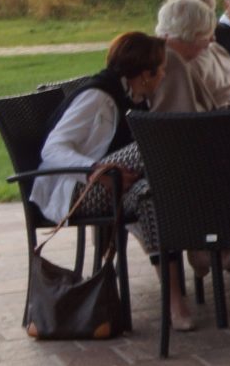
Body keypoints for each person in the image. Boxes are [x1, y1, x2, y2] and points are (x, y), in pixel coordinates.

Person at [33, 32, 170, 305]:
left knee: (150, 194)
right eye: (162, 69)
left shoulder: (134, 98)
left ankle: (173, 297)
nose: (164, 75)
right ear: (146, 74)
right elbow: (52, 149)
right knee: (151, 145)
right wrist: (95, 169)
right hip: (77, 190)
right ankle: (200, 255)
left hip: (118, 185)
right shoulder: (97, 97)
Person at [151, 0, 230, 112]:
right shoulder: (170, 61)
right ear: (193, 32)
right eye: (206, 35)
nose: (212, 40)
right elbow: (185, 117)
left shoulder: (174, 55)